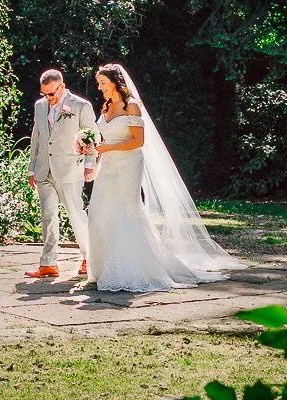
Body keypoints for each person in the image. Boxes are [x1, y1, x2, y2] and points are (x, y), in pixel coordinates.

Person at [82, 64, 240, 293]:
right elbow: (103, 141)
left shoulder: (132, 107)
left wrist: (107, 148)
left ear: (116, 82)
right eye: (99, 83)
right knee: (98, 210)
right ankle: (102, 268)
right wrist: (95, 156)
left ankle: (131, 269)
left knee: (124, 211)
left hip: (128, 165)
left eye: (103, 83)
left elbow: (138, 141)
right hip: (108, 166)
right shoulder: (106, 106)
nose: (100, 88)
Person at [25, 68, 96, 279]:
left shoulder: (81, 106)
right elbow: (36, 138)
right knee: (48, 216)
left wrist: (89, 165)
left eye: (51, 94)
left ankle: (89, 258)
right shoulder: (40, 107)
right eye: (43, 94)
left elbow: (93, 136)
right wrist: (32, 168)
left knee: (76, 215)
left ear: (62, 87)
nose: (48, 98)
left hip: (69, 169)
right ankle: (48, 264)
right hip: (44, 170)